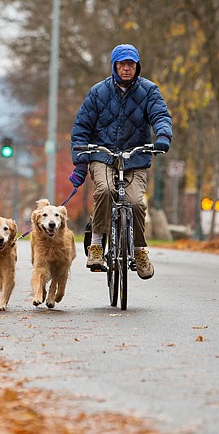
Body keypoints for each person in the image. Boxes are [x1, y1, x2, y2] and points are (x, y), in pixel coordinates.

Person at [68, 44, 172, 279]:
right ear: (114, 66)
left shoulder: (149, 91)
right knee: (105, 190)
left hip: (136, 156)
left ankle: (139, 250)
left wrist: (163, 136)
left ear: (137, 66)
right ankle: (96, 246)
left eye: (131, 64)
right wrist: (81, 163)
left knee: (135, 202)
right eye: (122, 64)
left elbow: (160, 115)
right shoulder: (98, 92)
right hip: (103, 155)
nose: (126, 69)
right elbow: (81, 128)